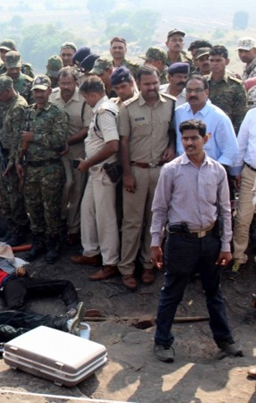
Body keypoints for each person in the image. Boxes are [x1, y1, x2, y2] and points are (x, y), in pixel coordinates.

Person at [150, 119, 242, 363]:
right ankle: (162, 342)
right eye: (185, 138)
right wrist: (155, 242)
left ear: (206, 139)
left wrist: (225, 246)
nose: (189, 143)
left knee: (214, 292)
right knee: (172, 291)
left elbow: (225, 210)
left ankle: (225, 340)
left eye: (194, 138)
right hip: (180, 242)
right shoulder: (171, 170)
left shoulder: (217, 171)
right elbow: (159, 208)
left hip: (210, 241)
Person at [117, 66, 176, 290]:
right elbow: (123, 143)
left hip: (160, 172)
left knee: (155, 222)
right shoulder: (128, 108)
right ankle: (127, 268)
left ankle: (148, 265)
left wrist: (171, 146)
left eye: (154, 83)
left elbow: (172, 132)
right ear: (138, 84)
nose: (151, 88)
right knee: (132, 222)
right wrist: (127, 174)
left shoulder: (170, 104)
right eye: (146, 84)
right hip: (136, 171)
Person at [70, 77, 120, 280]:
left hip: (103, 171)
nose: (85, 101)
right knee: (87, 210)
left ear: (92, 95)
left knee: (105, 218)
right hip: (95, 171)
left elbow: (113, 145)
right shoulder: (103, 108)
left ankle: (110, 262)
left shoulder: (104, 112)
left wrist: (88, 163)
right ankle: (91, 252)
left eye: (85, 98)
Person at [18, 75, 68, 262]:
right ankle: (37, 242)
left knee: (51, 208)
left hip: (50, 168)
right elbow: (20, 138)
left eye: (42, 91)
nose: (39, 95)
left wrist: (35, 137)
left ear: (49, 91)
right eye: (36, 91)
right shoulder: (28, 112)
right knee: (33, 207)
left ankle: (53, 244)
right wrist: (17, 160)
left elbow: (59, 140)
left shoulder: (57, 113)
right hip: (30, 168)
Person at [50, 67, 93, 246]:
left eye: (69, 83)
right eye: (62, 83)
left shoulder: (84, 99)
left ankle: (73, 229)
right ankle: (58, 223)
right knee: (59, 187)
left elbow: (86, 128)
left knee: (76, 189)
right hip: (55, 151)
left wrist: (67, 141)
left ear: (76, 83)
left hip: (77, 150)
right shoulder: (52, 97)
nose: (66, 87)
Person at [0, 76, 29, 247]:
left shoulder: (19, 107)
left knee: (15, 198)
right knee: (5, 196)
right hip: (6, 157)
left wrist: (13, 162)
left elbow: (18, 140)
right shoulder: (9, 104)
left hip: (13, 159)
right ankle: (11, 228)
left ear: (7, 91)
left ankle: (20, 231)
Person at [173, 75, 239, 168]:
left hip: (210, 170)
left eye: (198, 90)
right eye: (189, 90)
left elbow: (231, 150)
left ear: (207, 92)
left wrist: (214, 171)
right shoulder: (179, 113)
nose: (192, 94)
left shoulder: (218, 117)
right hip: (181, 169)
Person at [228, 107, 256, 280]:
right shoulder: (252, 115)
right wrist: (236, 171)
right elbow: (242, 144)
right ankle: (239, 257)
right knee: (243, 219)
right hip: (251, 174)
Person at [207, 45, 248, 134]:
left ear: (227, 61)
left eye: (218, 60)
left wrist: (233, 135)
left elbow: (240, 116)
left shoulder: (236, 85)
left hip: (227, 131)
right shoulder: (202, 83)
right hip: (205, 131)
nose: (214, 64)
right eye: (211, 60)